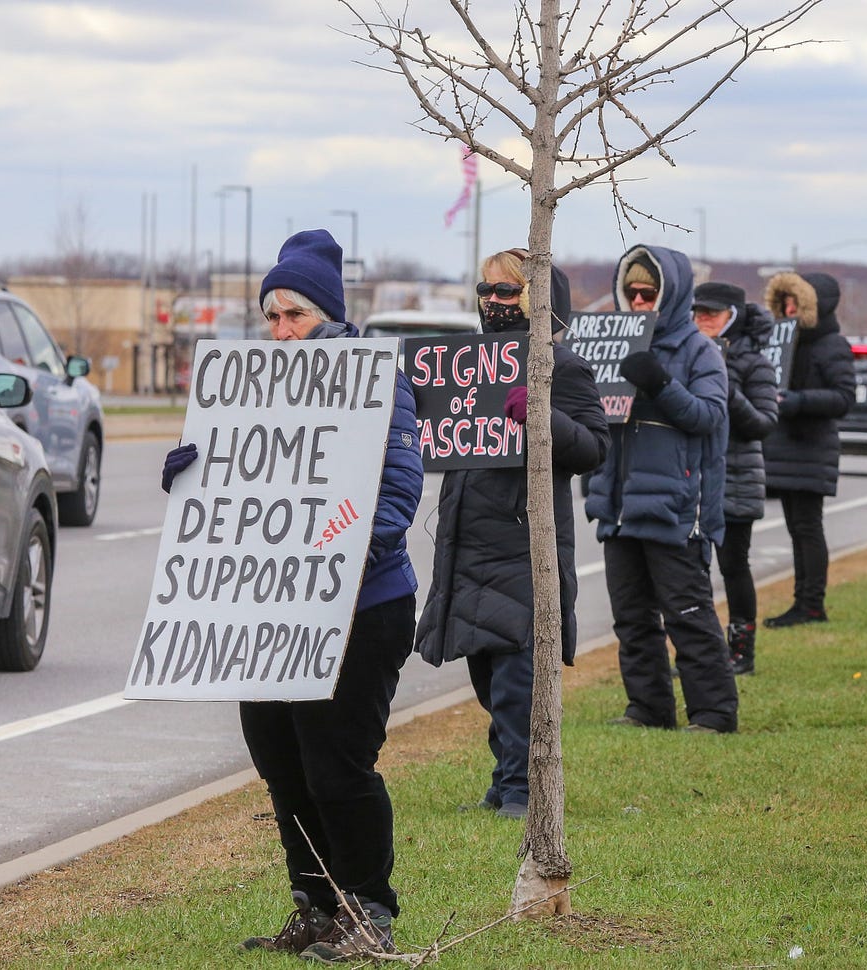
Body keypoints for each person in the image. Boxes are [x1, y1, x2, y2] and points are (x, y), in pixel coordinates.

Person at [160, 230, 423, 963]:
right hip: (272, 611)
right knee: (281, 763)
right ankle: (314, 905)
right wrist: (192, 475)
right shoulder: (251, 388)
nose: (280, 331)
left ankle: (369, 911)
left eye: (296, 315)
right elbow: (240, 494)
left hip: (360, 607)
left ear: (330, 316)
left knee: (337, 766)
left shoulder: (379, 382)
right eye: (271, 316)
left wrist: (332, 557)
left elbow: (398, 493)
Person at [414, 250, 609, 819]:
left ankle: (525, 789)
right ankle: (503, 781)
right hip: (468, 543)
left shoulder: (560, 367)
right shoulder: (464, 365)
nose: (494, 302)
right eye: (487, 290)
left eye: (508, 291)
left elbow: (595, 447)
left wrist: (543, 415)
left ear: (538, 299)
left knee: (517, 676)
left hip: (524, 544)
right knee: (485, 672)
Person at [585, 245, 739, 733]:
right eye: (630, 291)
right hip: (619, 504)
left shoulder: (700, 350)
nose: (637, 301)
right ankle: (648, 708)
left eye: (648, 292)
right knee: (631, 618)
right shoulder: (611, 343)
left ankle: (714, 713)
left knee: (688, 614)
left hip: (676, 507)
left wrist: (660, 383)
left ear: (670, 294)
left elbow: (709, 416)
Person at [759, 271, 858, 626]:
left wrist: (799, 401)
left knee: (807, 527)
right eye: (784, 303)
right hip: (784, 446)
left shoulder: (832, 345)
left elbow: (844, 397)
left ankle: (812, 604)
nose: (788, 310)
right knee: (796, 528)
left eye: (795, 303)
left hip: (811, 447)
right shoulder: (782, 343)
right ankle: (802, 602)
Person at [692, 281, 779, 675]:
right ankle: (702, 652)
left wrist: (724, 387)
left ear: (734, 316)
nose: (703, 319)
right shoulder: (688, 355)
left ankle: (742, 652)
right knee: (692, 572)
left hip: (737, 477)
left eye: (712, 312)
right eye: (698, 312)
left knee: (733, 566)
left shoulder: (754, 363)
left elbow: (763, 423)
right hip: (693, 479)